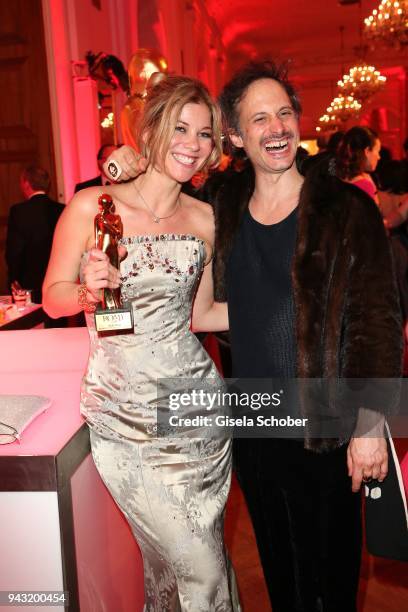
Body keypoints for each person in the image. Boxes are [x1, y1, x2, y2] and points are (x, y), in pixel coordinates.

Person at [105, 60, 403, 612]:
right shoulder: (222, 206)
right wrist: (129, 159)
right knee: (281, 575)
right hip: (255, 422)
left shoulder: (345, 208)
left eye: (284, 113)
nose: (276, 128)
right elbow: (202, 292)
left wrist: (371, 422)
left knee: (333, 578)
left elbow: (376, 321)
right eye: (258, 118)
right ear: (237, 136)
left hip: (328, 424)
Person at [43, 74, 240, 612]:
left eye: (204, 134)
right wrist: (88, 289)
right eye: (180, 127)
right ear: (152, 130)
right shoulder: (92, 206)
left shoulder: (206, 220)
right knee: (198, 565)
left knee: (181, 564)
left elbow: (201, 316)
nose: (193, 144)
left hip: (197, 411)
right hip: (125, 415)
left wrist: (283, 306)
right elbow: (53, 297)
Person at [5, 165, 64, 305]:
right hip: (59, 279)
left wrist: (13, 279)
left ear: (26, 184)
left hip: (28, 281)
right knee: (57, 323)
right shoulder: (61, 209)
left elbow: (14, 251)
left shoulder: (18, 211)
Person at [336, 125, 381, 203]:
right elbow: (374, 215)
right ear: (367, 151)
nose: (379, 157)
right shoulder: (364, 185)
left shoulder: (335, 176)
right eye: (377, 151)